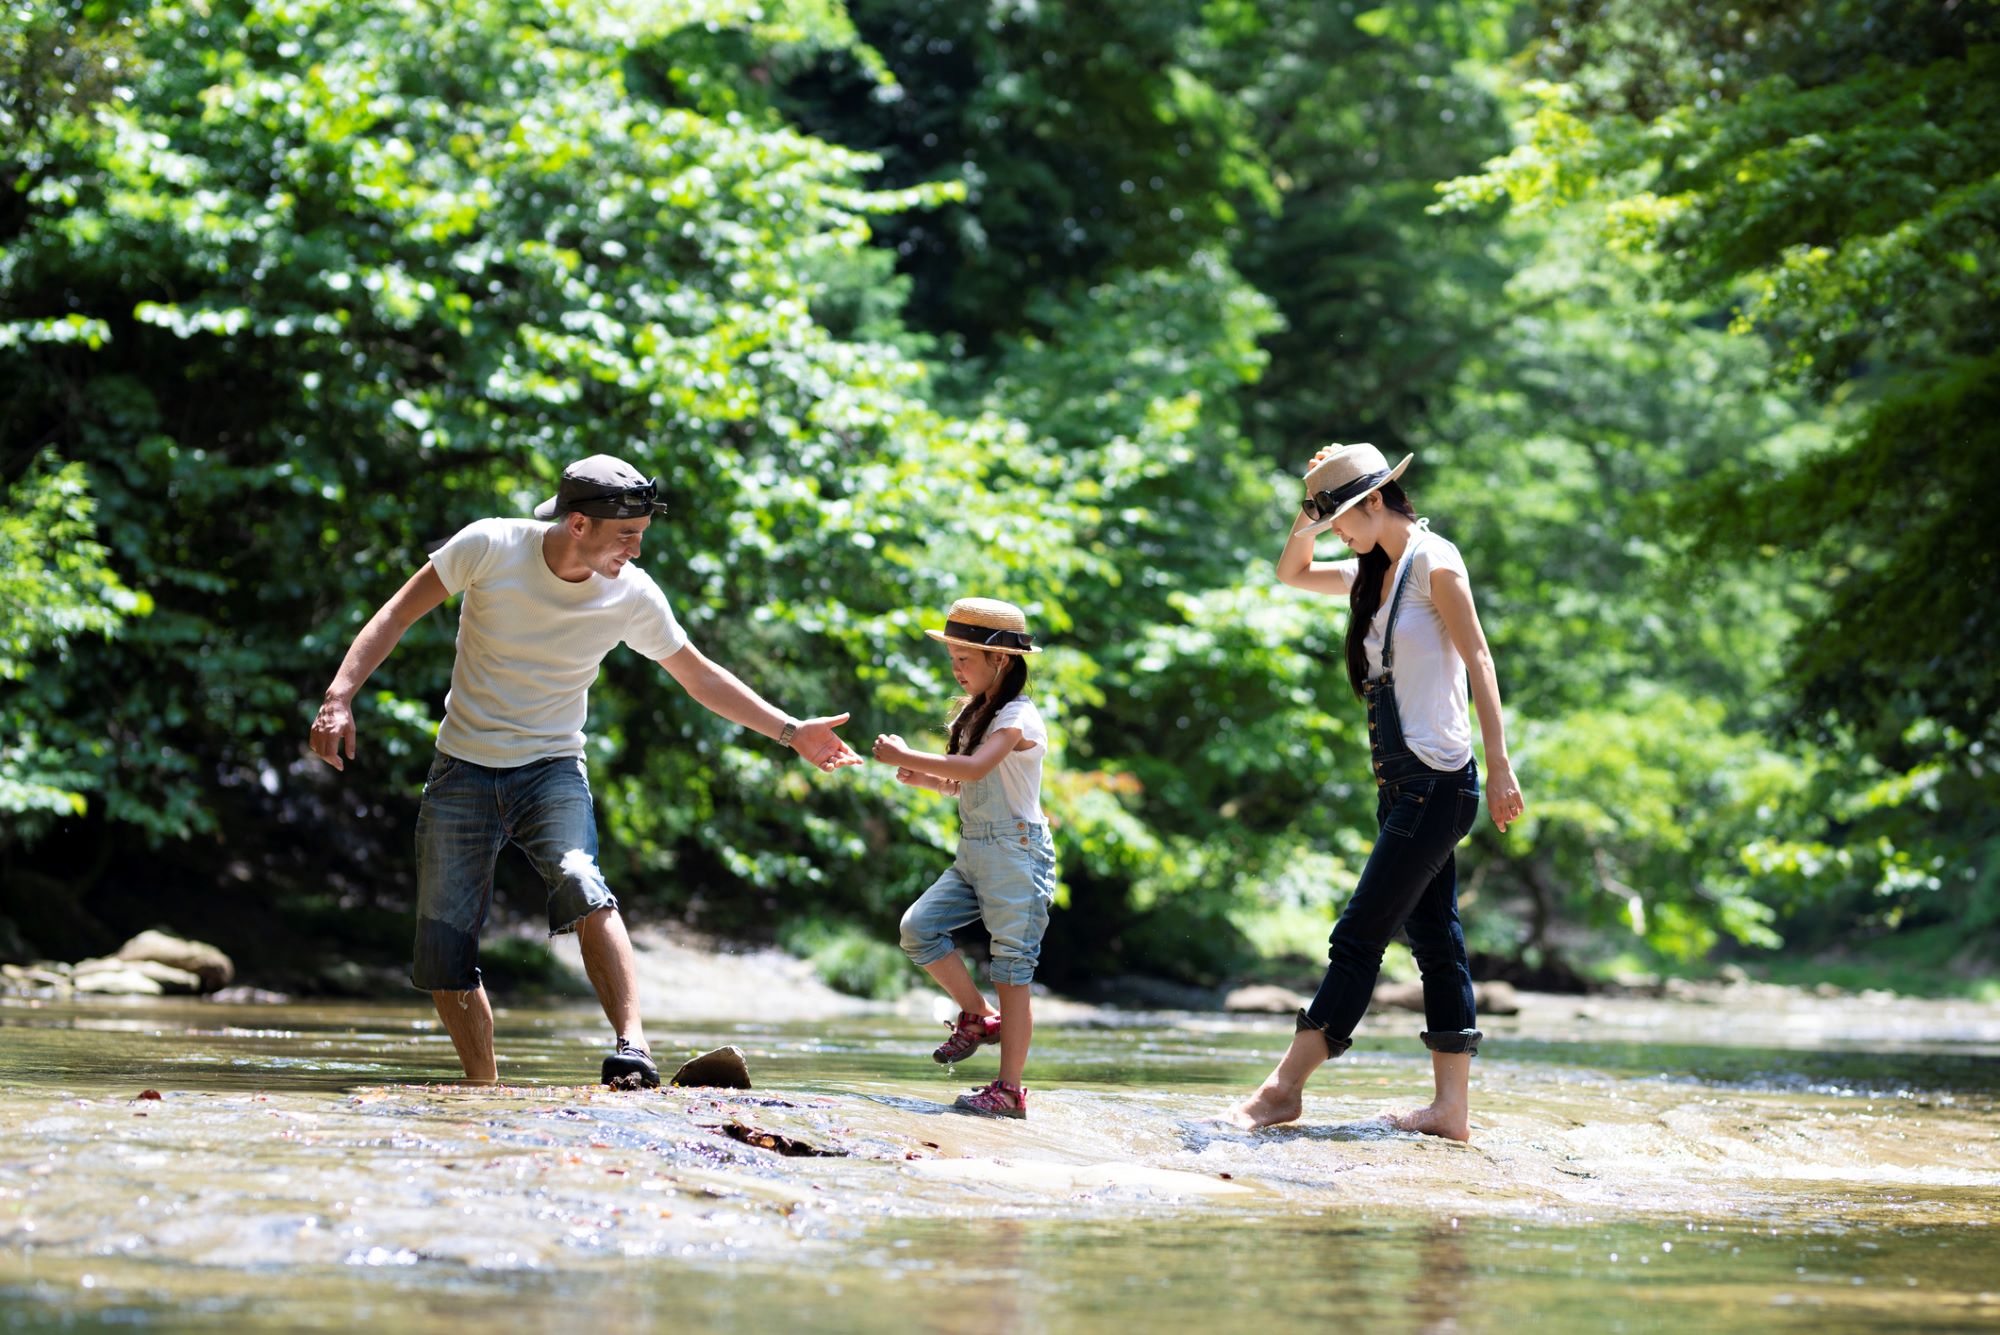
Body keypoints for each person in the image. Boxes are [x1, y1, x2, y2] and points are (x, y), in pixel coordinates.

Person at [308, 455, 860, 1087]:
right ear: (577, 523)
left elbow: (699, 675)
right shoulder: (488, 545)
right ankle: (482, 1089)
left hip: (551, 769)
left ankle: (634, 1052)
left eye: (642, 536)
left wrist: (791, 732)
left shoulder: (631, 594)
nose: (637, 550)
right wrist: (338, 696)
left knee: (580, 879)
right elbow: (397, 613)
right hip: (461, 768)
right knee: (442, 947)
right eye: (627, 535)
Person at [1226, 443, 1525, 1139]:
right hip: (1402, 786)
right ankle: (1451, 1110)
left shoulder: (1436, 563)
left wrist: (1503, 764)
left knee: (1359, 934)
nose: (1337, 535)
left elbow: (1480, 659)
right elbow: (1290, 570)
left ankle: (1281, 1090)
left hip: (1439, 781)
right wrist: (1310, 507)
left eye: (1341, 520)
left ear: (1375, 501)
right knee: (1436, 939)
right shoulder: (1372, 574)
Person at [872, 597, 1056, 1120]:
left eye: (964, 659)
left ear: (1000, 661)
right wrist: (922, 777)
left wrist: (907, 755)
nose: (956, 669)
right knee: (918, 928)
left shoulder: (1018, 716)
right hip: (976, 849)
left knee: (1013, 970)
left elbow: (976, 769)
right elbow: (963, 780)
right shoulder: (980, 713)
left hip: (1017, 854)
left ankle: (1010, 1090)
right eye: (952, 658)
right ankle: (977, 1015)